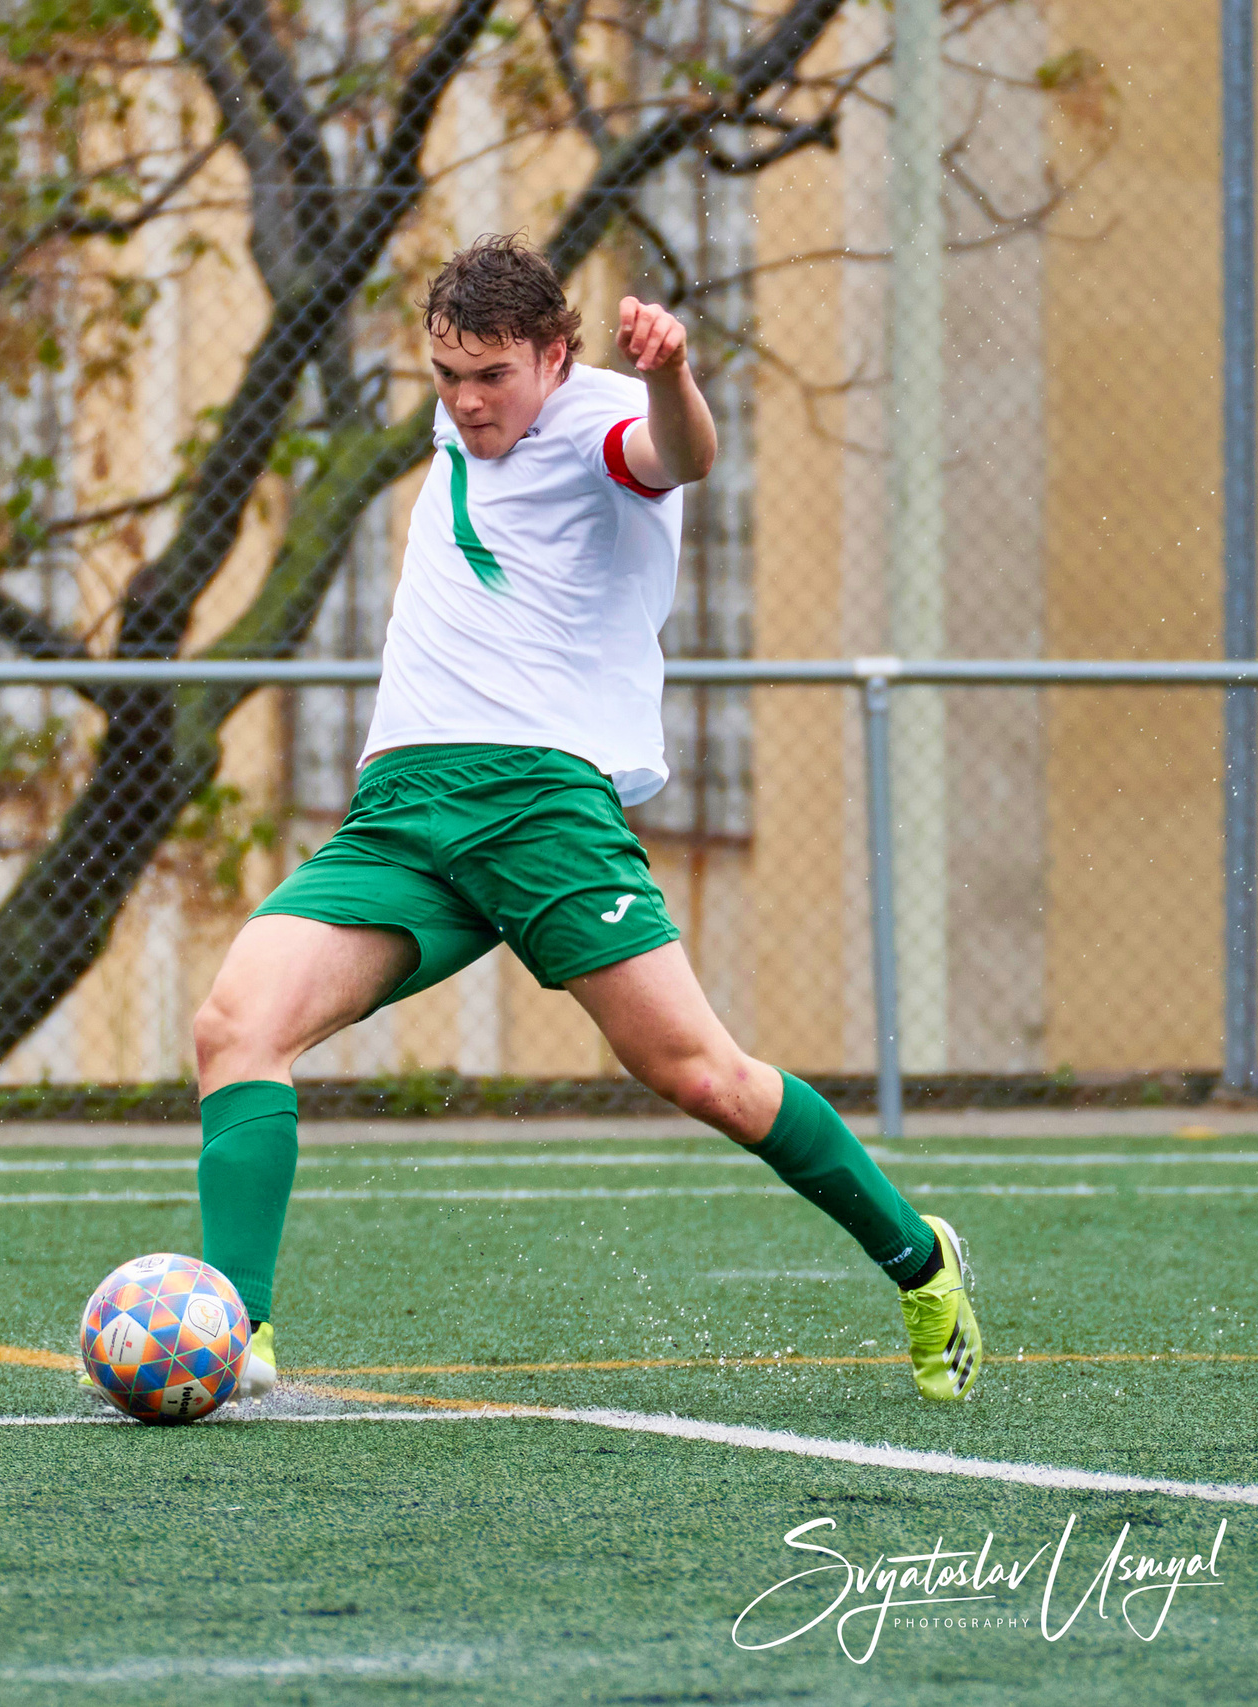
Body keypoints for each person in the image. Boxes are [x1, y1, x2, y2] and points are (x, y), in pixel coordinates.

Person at [190, 235, 981, 1406]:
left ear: (556, 356)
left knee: (701, 1076)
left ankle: (921, 1262)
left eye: (493, 377)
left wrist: (667, 369)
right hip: (403, 808)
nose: (465, 403)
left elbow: (679, 453)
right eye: (447, 376)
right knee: (233, 1030)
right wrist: (470, 383)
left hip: (540, 803)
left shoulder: (605, 416)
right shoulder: (467, 412)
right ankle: (234, 1338)